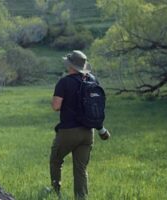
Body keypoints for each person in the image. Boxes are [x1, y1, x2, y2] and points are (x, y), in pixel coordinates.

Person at [50, 50, 110, 199]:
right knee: (81, 168)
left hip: (68, 131)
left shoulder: (64, 82)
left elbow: (56, 106)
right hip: (89, 132)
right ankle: (81, 197)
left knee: (56, 160)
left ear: (70, 65)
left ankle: (56, 192)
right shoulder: (93, 80)